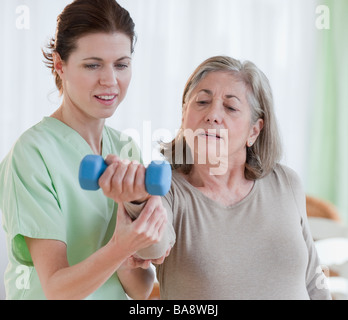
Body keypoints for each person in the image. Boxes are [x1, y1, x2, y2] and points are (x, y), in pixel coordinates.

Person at [121, 56, 332, 299]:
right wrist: (136, 198)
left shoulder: (286, 183)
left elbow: (314, 283)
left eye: (230, 107)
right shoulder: (166, 189)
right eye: (202, 102)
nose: (212, 115)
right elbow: (152, 247)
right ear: (183, 117)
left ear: (254, 130)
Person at [0, 0, 169, 300]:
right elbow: (57, 290)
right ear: (60, 65)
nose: (110, 80)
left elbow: (140, 288)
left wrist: (137, 241)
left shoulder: (125, 148)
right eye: (93, 65)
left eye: (121, 64)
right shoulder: (32, 154)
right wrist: (122, 246)